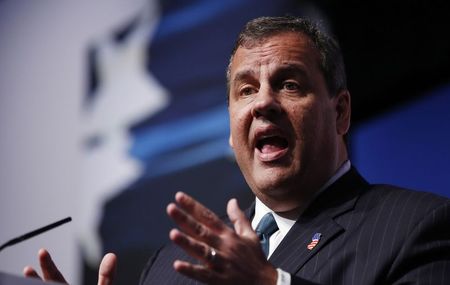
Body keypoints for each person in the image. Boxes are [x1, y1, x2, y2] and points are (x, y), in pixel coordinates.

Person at [24, 16, 450, 285]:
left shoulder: (418, 226)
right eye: (246, 90)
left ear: (340, 113)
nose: (263, 103)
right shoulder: (168, 268)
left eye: (289, 84)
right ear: (231, 131)